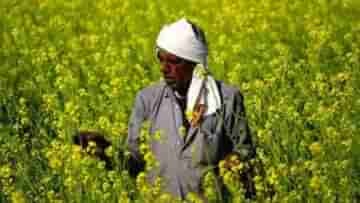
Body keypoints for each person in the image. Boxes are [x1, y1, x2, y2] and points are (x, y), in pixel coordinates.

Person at [127, 18, 256, 200]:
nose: (164, 68)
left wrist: (234, 161)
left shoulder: (226, 98)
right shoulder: (147, 99)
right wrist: (105, 152)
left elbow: (246, 153)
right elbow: (133, 160)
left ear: (195, 64)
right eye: (161, 59)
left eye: (174, 61)